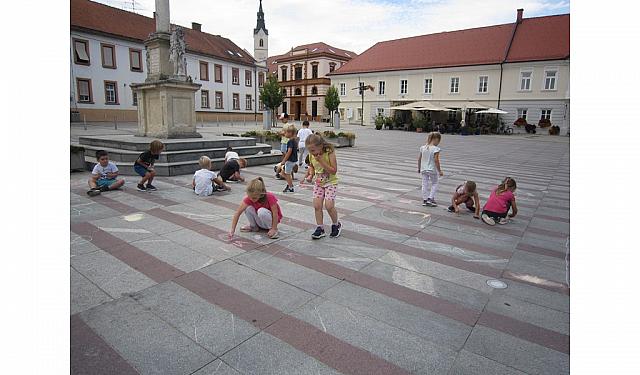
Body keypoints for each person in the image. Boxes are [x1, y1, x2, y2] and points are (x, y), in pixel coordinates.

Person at [304, 134, 341, 239]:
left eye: (313, 150)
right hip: (319, 184)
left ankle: (336, 224)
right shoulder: (312, 155)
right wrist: (311, 175)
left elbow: (333, 171)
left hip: (331, 183)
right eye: (310, 151)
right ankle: (320, 228)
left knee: (329, 206)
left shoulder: (329, 152)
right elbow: (311, 166)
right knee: (317, 206)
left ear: (320, 146)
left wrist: (321, 161)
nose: (312, 153)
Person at [418, 132, 443, 207]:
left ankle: (425, 200)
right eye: (438, 141)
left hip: (423, 169)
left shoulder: (423, 147)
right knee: (435, 183)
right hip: (431, 169)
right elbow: (436, 160)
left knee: (424, 184)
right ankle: (430, 198)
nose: (438, 143)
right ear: (436, 139)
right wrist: (440, 171)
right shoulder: (436, 149)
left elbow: (419, 159)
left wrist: (419, 168)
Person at [280, 124, 298, 193]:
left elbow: (289, 151)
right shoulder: (294, 141)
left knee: (286, 174)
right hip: (293, 160)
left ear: (290, 133)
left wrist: (284, 160)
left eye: (286, 132)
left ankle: (290, 187)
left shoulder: (290, 141)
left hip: (290, 160)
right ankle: (289, 184)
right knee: (283, 173)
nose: (285, 134)